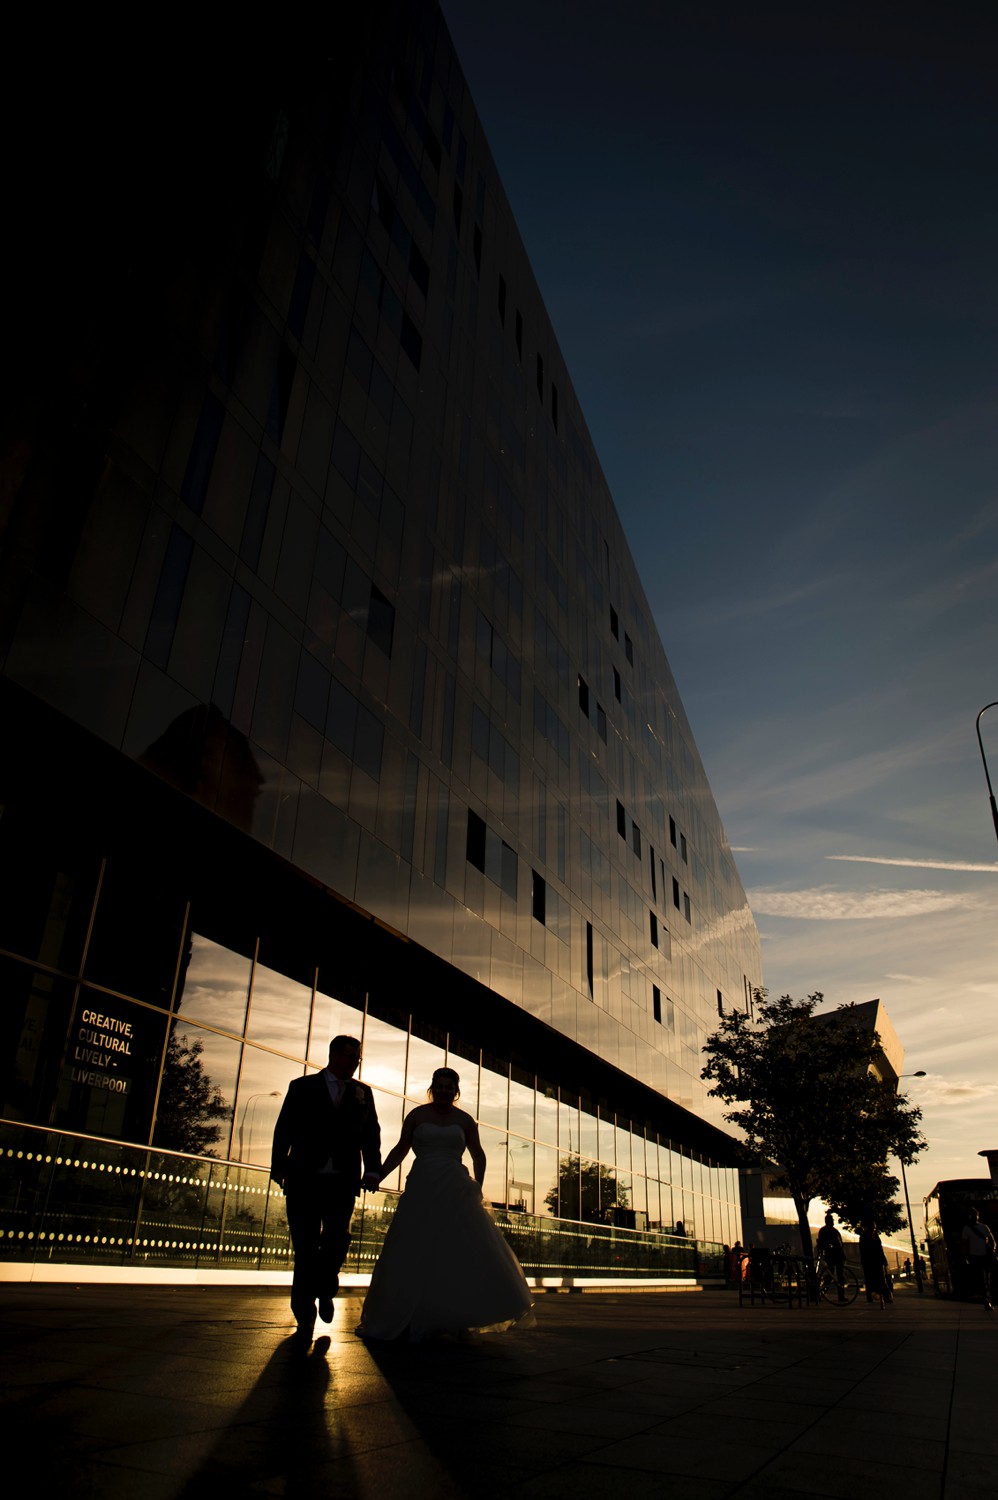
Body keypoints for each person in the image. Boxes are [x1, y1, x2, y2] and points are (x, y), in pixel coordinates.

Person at [357, 1067, 533, 1341]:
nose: (443, 1091)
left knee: (455, 1248)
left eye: (449, 1087)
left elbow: (478, 1154)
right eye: (439, 1086)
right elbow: (401, 1148)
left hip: (454, 1187)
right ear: (432, 1088)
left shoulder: (464, 1120)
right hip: (423, 1184)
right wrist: (378, 1173)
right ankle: (411, 1312)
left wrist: (478, 1185)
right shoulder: (417, 1115)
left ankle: (455, 1313)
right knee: (415, 1244)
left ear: (456, 1091)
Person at [271, 1035, 382, 1338]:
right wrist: (279, 1167)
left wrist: (373, 1169)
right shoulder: (302, 1087)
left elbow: (371, 1133)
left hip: (343, 1180)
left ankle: (325, 1286)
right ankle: (304, 1311)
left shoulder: (363, 1093)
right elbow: (285, 1127)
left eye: (357, 1058)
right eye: (349, 1056)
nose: (354, 1062)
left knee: (337, 1238)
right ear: (334, 1055)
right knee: (305, 1245)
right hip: (304, 1177)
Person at [961, 1207, 996, 1311]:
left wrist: (965, 1257)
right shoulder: (983, 1227)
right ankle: (986, 1299)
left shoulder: (967, 1228)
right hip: (981, 1256)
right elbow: (993, 1241)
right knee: (984, 1278)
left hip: (976, 1257)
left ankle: (986, 1298)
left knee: (983, 1278)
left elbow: (964, 1245)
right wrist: (993, 1250)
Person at [858, 1220, 891, 1308]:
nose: (874, 1228)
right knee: (870, 1280)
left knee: (880, 1279)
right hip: (869, 1261)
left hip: (877, 1261)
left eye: (874, 1226)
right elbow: (863, 1250)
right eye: (873, 1226)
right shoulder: (864, 1236)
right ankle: (872, 1296)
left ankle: (885, 1296)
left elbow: (880, 1249)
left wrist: (884, 1260)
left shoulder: (875, 1236)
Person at [816, 1212, 847, 1302]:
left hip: (831, 1256)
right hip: (835, 1256)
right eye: (831, 1220)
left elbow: (821, 1244)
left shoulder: (825, 1231)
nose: (833, 1221)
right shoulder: (832, 1231)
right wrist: (843, 1255)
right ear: (828, 1221)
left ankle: (823, 1291)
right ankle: (839, 1295)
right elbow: (839, 1245)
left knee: (832, 1275)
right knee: (838, 1275)